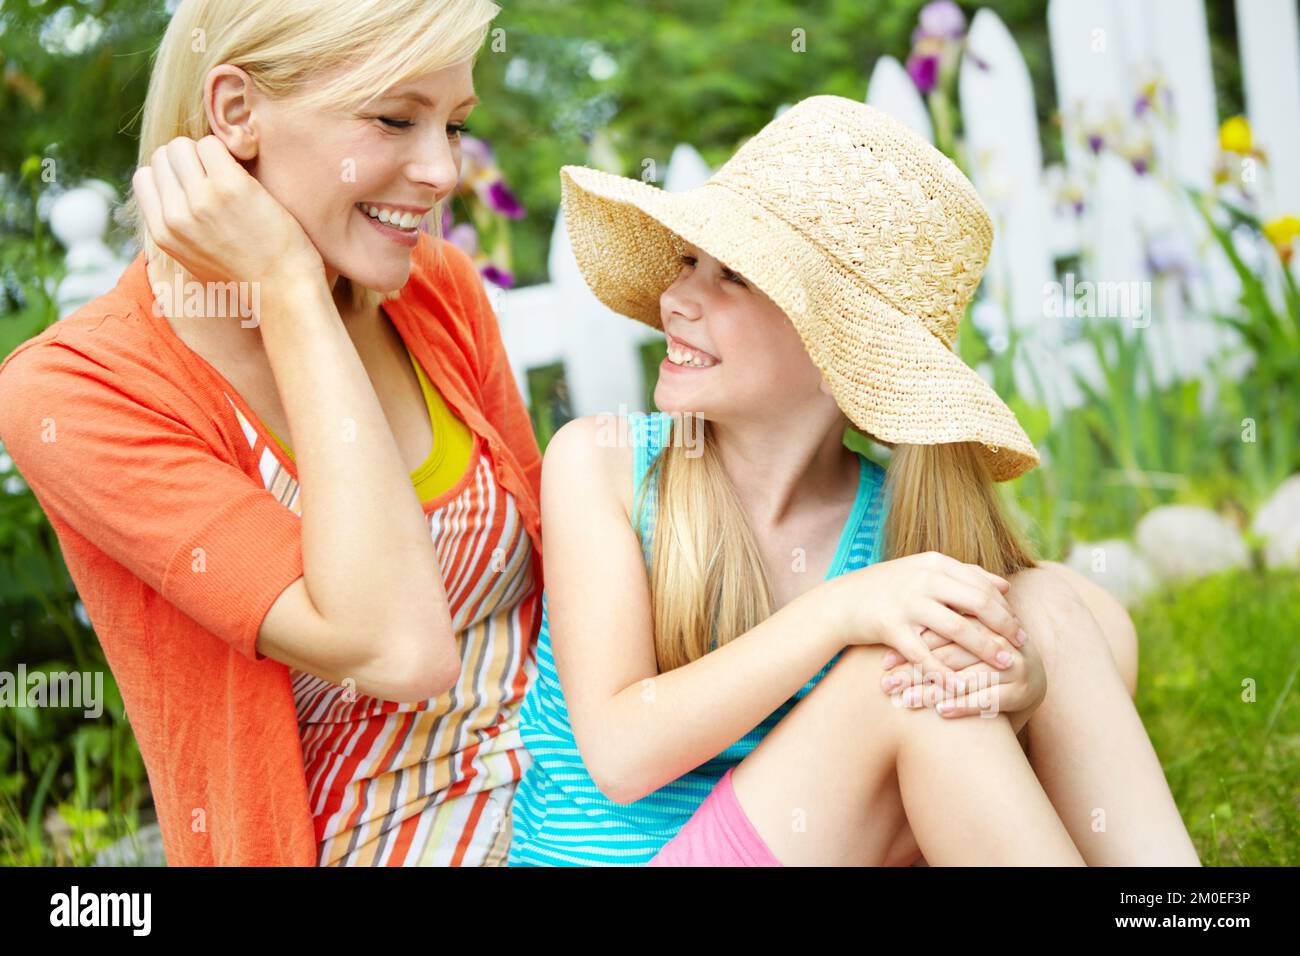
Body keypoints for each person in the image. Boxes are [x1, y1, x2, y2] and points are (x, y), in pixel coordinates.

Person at [508, 96, 1200, 866]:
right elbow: (621, 751)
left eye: (732, 275)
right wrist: (841, 611)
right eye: (687, 262)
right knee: (897, 673)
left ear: (838, 348)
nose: (677, 298)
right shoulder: (603, 464)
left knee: (1055, 611)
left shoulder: (883, 526)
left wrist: (1024, 687)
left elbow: (1095, 634)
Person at [0, 0, 543, 866]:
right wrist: (287, 286)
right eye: (396, 118)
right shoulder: (82, 388)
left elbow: (564, 594)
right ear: (236, 111)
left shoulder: (436, 291)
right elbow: (399, 649)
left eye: (454, 124)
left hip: (577, 810)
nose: (442, 169)